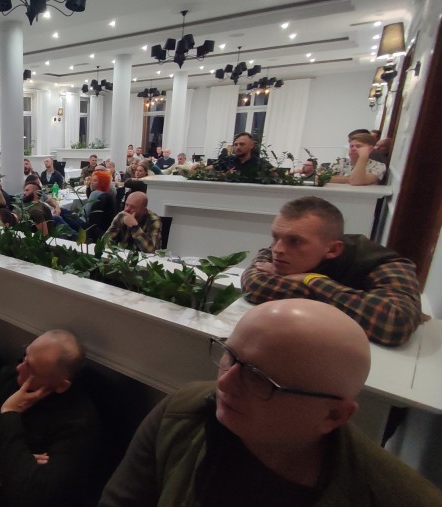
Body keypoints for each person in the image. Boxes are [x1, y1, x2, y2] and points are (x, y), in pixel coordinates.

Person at [98, 299, 442, 507]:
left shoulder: (398, 497)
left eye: (259, 378)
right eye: (230, 356)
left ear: (333, 414)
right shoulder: (184, 411)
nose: (225, 383)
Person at [0, 330, 101, 507]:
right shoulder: (11, 375)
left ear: (61, 385)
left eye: (30, 368)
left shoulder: (78, 422)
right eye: (25, 356)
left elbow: (32, 494)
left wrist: (9, 413)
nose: (19, 367)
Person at [241, 196, 422, 346]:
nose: (277, 249)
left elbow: (395, 324)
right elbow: (254, 285)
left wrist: (311, 279)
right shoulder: (283, 248)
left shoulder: (384, 263)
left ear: (333, 249)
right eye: (275, 237)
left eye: (295, 241)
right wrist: (345, 301)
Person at [209, 132, 273, 181]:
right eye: (235, 144)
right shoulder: (227, 161)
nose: (238, 147)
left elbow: (276, 177)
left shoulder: (261, 164)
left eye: (242, 144)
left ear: (251, 145)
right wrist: (224, 175)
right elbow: (207, 171)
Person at [83, 170, 117, 241]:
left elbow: (85, 213)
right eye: (92, 180)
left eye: (95, 181)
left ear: (101, 183)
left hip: (89, 227)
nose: (92, 182)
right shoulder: (108, 194)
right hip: (103, 228)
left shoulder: (95, 193)